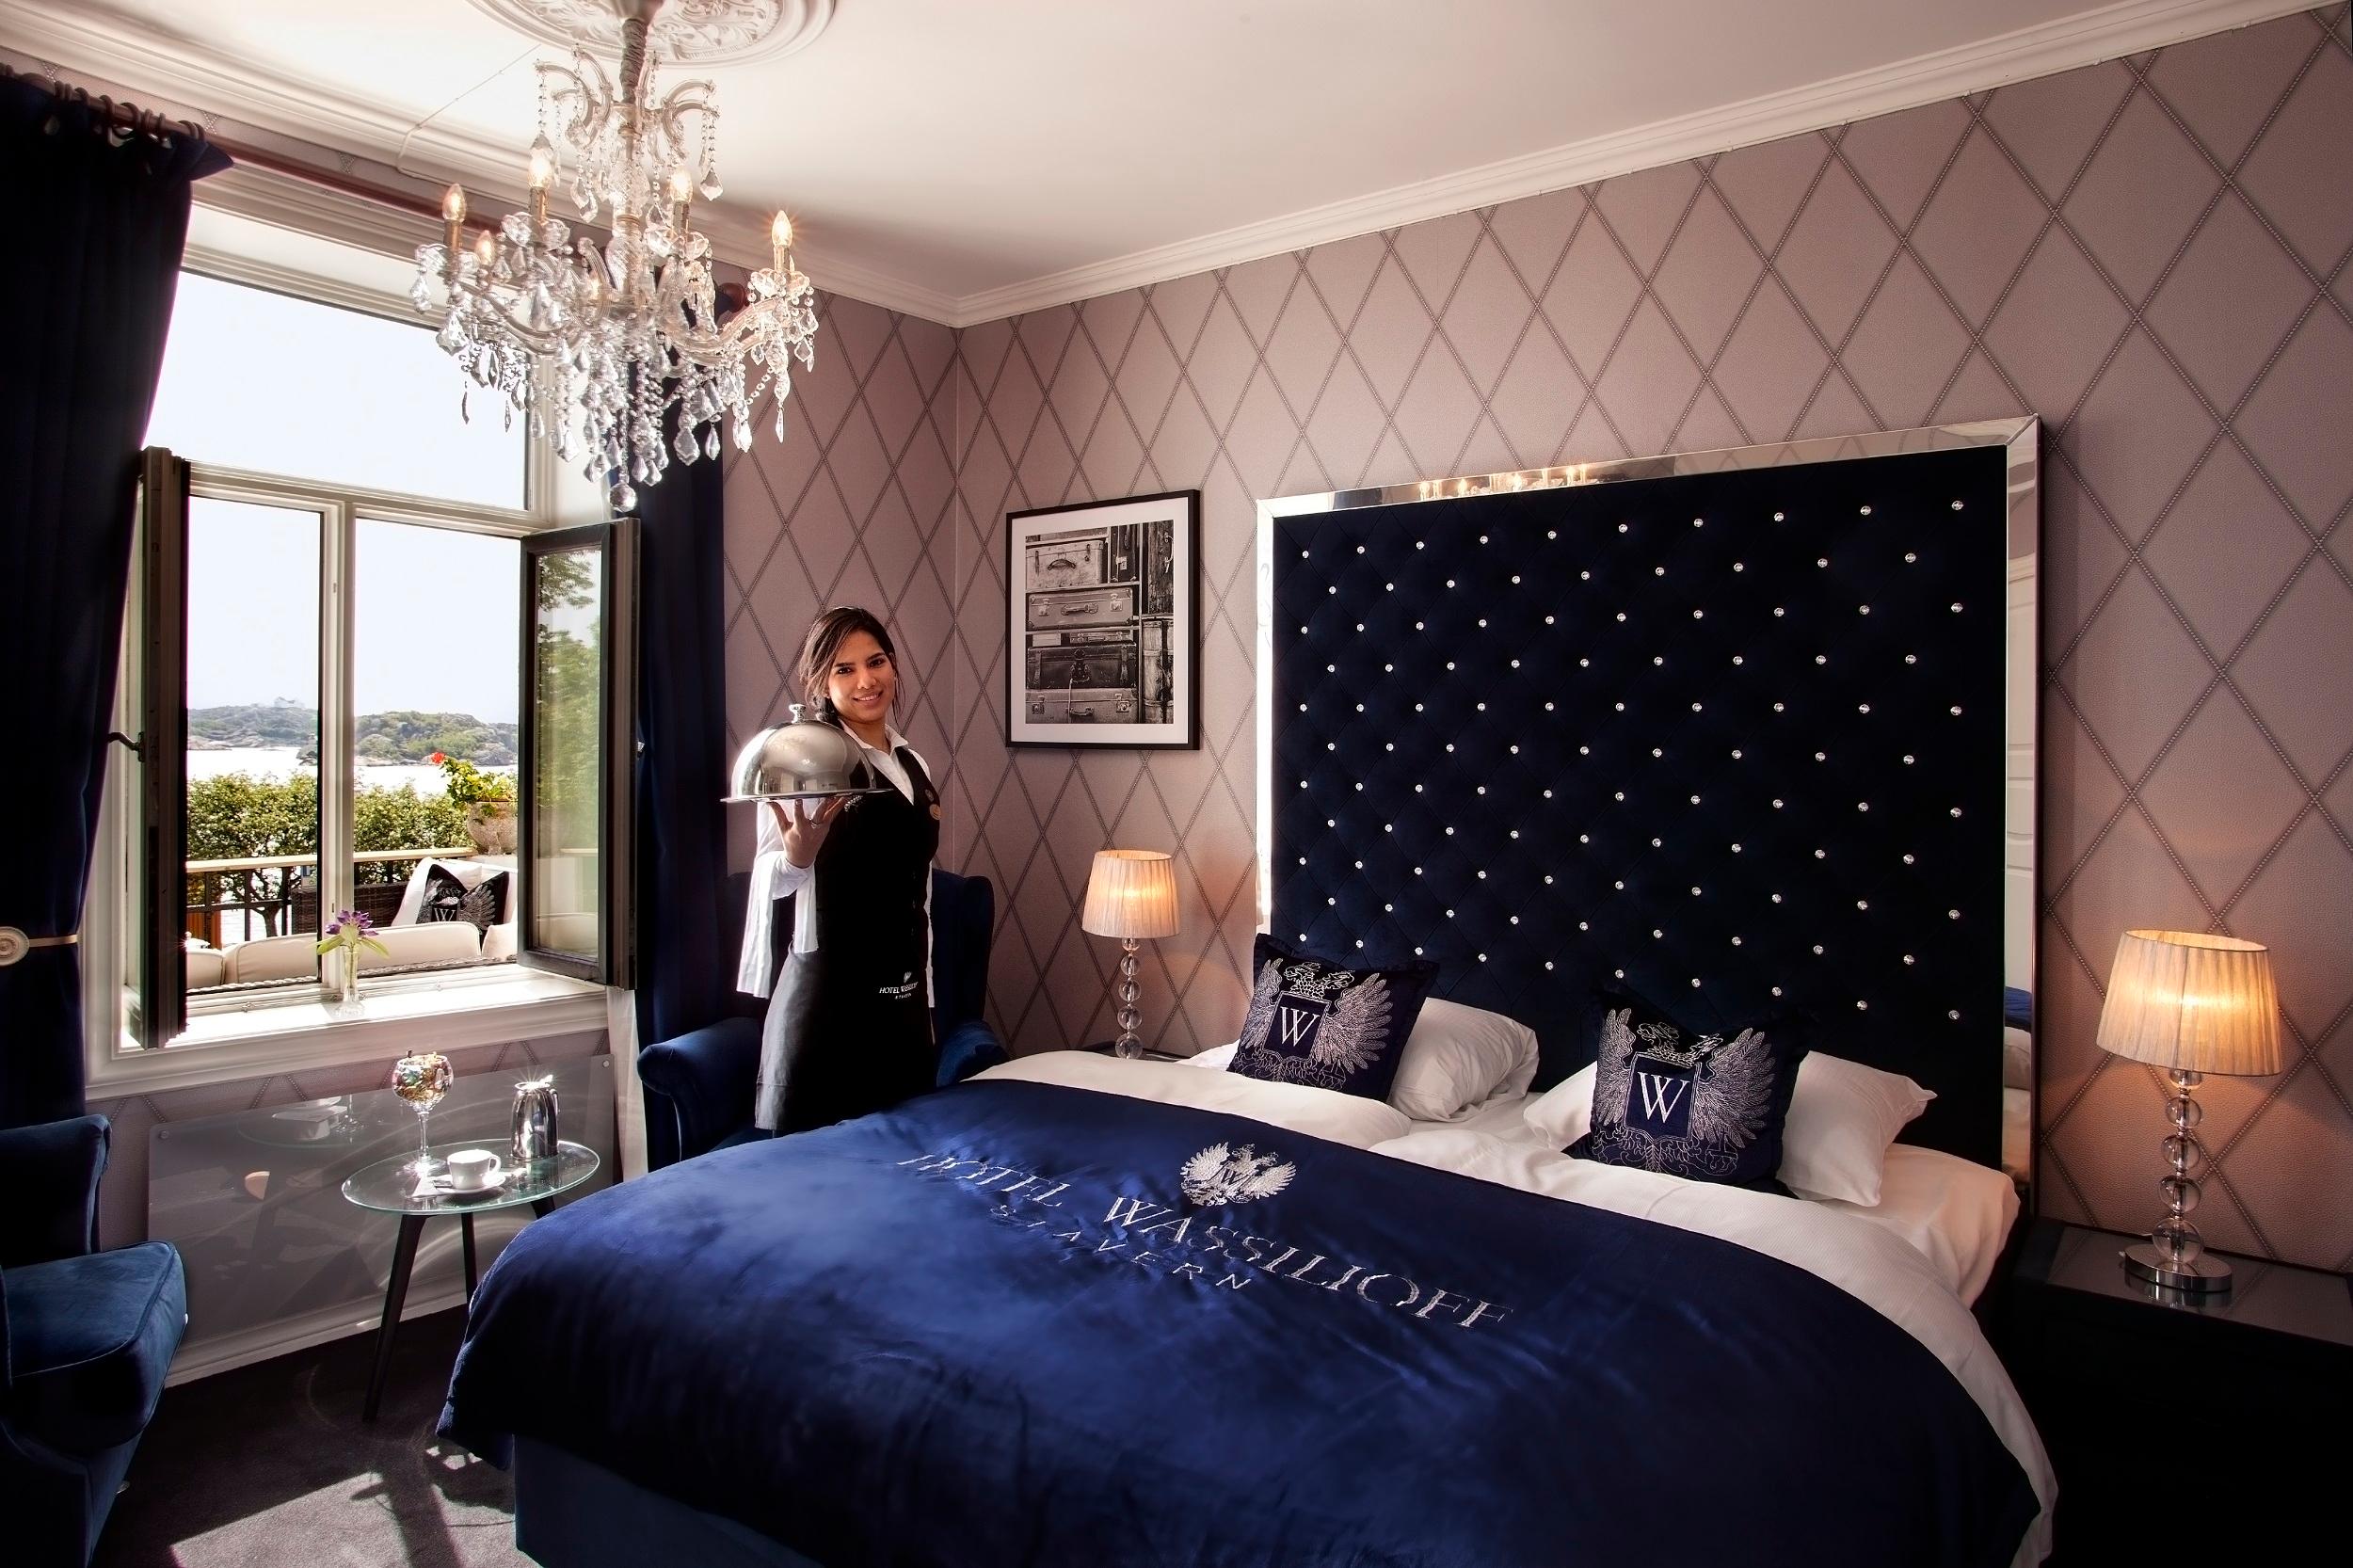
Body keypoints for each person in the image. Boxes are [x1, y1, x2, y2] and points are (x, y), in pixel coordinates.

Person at [735, 607, 942, 1133]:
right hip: (828, 1008)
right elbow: (769, 877)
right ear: (821, 683)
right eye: (844, 669)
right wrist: (798, 856)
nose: (866, 681)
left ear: (893, 665)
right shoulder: (805, 761)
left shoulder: (912, 762)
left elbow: (921, 892)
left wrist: (928, 996)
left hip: (902, 1001)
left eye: (875, 662)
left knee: (905, 1173)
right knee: (816, 1189)